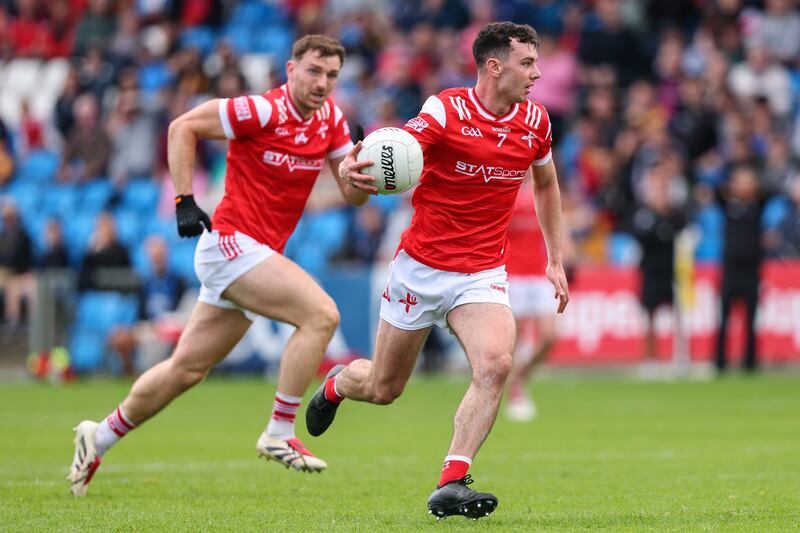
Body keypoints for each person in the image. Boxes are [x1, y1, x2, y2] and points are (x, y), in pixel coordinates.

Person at [69, 35, 368, 496]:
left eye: (331, 75)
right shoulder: (260, 110)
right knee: (322, 315)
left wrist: (366, 173)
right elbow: (181, 127)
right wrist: (185, 200)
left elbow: (352, 196)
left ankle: (99, 435)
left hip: (256, 255)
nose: (322, 82)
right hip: (230, 243)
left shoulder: (331, 121)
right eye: (313, 70)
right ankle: (279, 431)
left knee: (186, 370)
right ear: (290, 70)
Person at [306, 22, 569, 520]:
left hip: (482, 273)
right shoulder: (445, 110)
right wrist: (356, 166)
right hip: (420, 269)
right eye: (527, 63)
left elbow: (548, 184)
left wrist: (555, 257)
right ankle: (339, 384)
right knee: (384, 389)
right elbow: (398, 150)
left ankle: (452, 480)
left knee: (495, 363)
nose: (537, 73)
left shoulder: (536, 121)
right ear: (495, 66)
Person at [504, 179, 558, 421]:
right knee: (513, 341)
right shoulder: (507, 194)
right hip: (513, 274)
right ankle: (514, 392)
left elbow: (555, 224)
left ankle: (518, 379)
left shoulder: (543, 191)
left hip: (538, 274)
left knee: (549, 336)